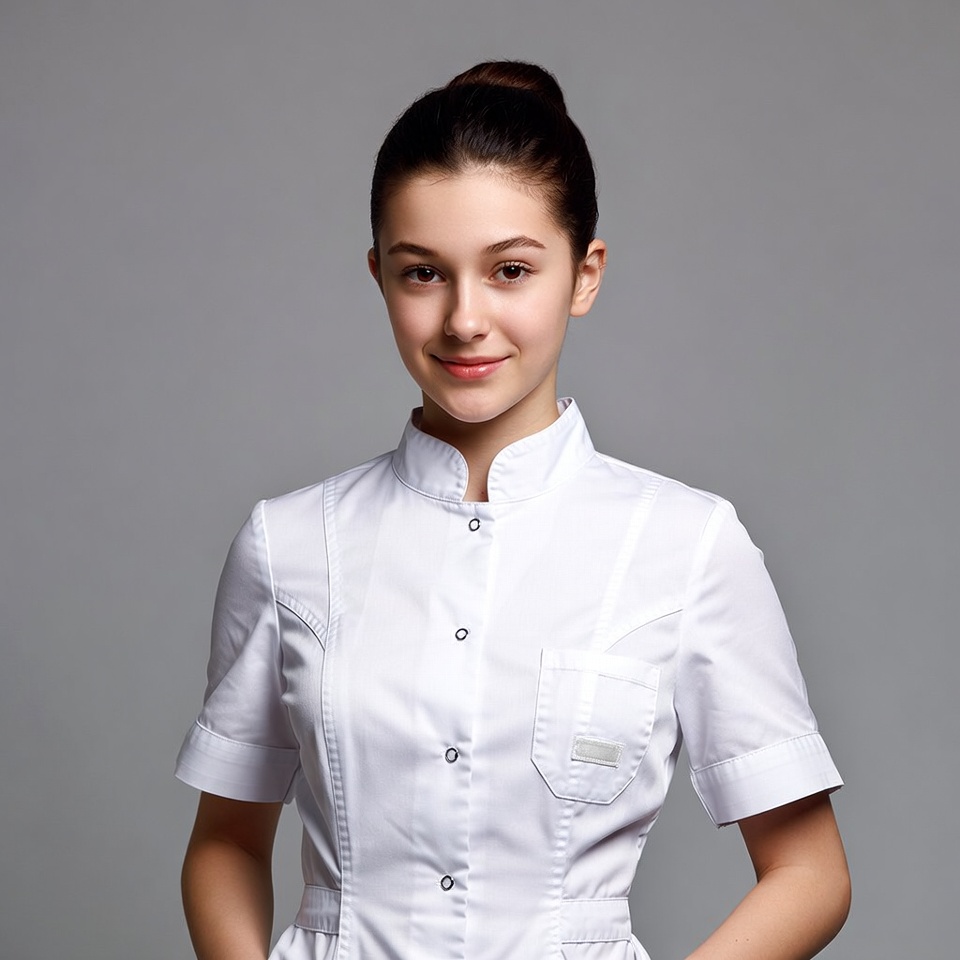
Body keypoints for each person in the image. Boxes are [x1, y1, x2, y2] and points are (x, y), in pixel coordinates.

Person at [176, 61, 850, 960]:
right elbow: (225, 841)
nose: (465, 319)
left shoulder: (687, 546)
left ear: (584, 274)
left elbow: (810, 874)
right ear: (379, 277)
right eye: (424, 273)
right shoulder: (290, 544)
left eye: (511, 270)